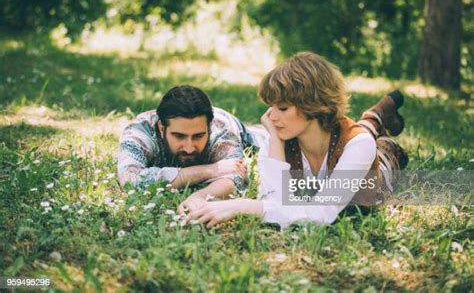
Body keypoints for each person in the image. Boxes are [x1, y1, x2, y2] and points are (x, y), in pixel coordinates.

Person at [185, 52, 408, 228]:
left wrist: (240, 206)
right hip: (340, 140)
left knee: (377, 146)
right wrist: (275, 142)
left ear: (314, 105)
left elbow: (322, 213)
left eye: (282, 108)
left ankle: (374, 120)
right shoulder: (282, 137)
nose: (270, 116)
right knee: (363, 132)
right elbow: (274, 200)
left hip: (376, 171)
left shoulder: (357, 144)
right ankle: (374, 117)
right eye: (271, 106)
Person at [116, 85, 266, 213]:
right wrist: (211, 170)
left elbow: (236, 178)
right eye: (179, 136)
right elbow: (130, 181)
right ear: (162, 128)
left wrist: (199, 197)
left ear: (209, 128)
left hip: (242, 132)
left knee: (274, 138)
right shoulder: (139, 132)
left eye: (198, 136)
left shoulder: (221, 130)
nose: (189, 148)